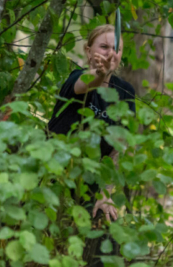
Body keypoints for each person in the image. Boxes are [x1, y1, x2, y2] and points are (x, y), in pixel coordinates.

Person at [47, 24, 136, 222]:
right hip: (53, 174)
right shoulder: (76, 78)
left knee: (104, 227)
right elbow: (86, 83)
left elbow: (119, 147)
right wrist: (101, 74)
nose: (110, 53)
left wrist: (105, 193)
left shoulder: (125, 92)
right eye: (104, 47)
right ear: (88, 51)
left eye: (116, 49)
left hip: (91, 186)